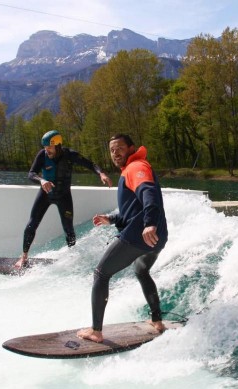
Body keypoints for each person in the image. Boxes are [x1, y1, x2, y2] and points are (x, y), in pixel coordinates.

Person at [77, 133, 168, 343]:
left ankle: (96, 331)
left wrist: (149, 223)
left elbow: (148, 193)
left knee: (101, 273)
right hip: (158, 238)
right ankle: (157, 321)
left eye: (119, 148)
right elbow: (132, 211)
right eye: (111, 150)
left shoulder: (136, 167)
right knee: (141, 270)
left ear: (131, 148)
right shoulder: (131, 169)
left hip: (140, 235)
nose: (115, 153)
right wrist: (111, 219)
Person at [15, 130, 112, 268]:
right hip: (45, 194)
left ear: (58, 145)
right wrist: (42, 180)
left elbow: (90, 164)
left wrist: (101, 174)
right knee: (31, 224)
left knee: (68, 229)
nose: (46, 150)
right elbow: (31, 174)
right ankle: (23, 256)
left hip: (63, 196)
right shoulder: (42, 155)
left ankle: (72, 256)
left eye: (49, 147)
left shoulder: (69, 155)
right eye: (45, 147)